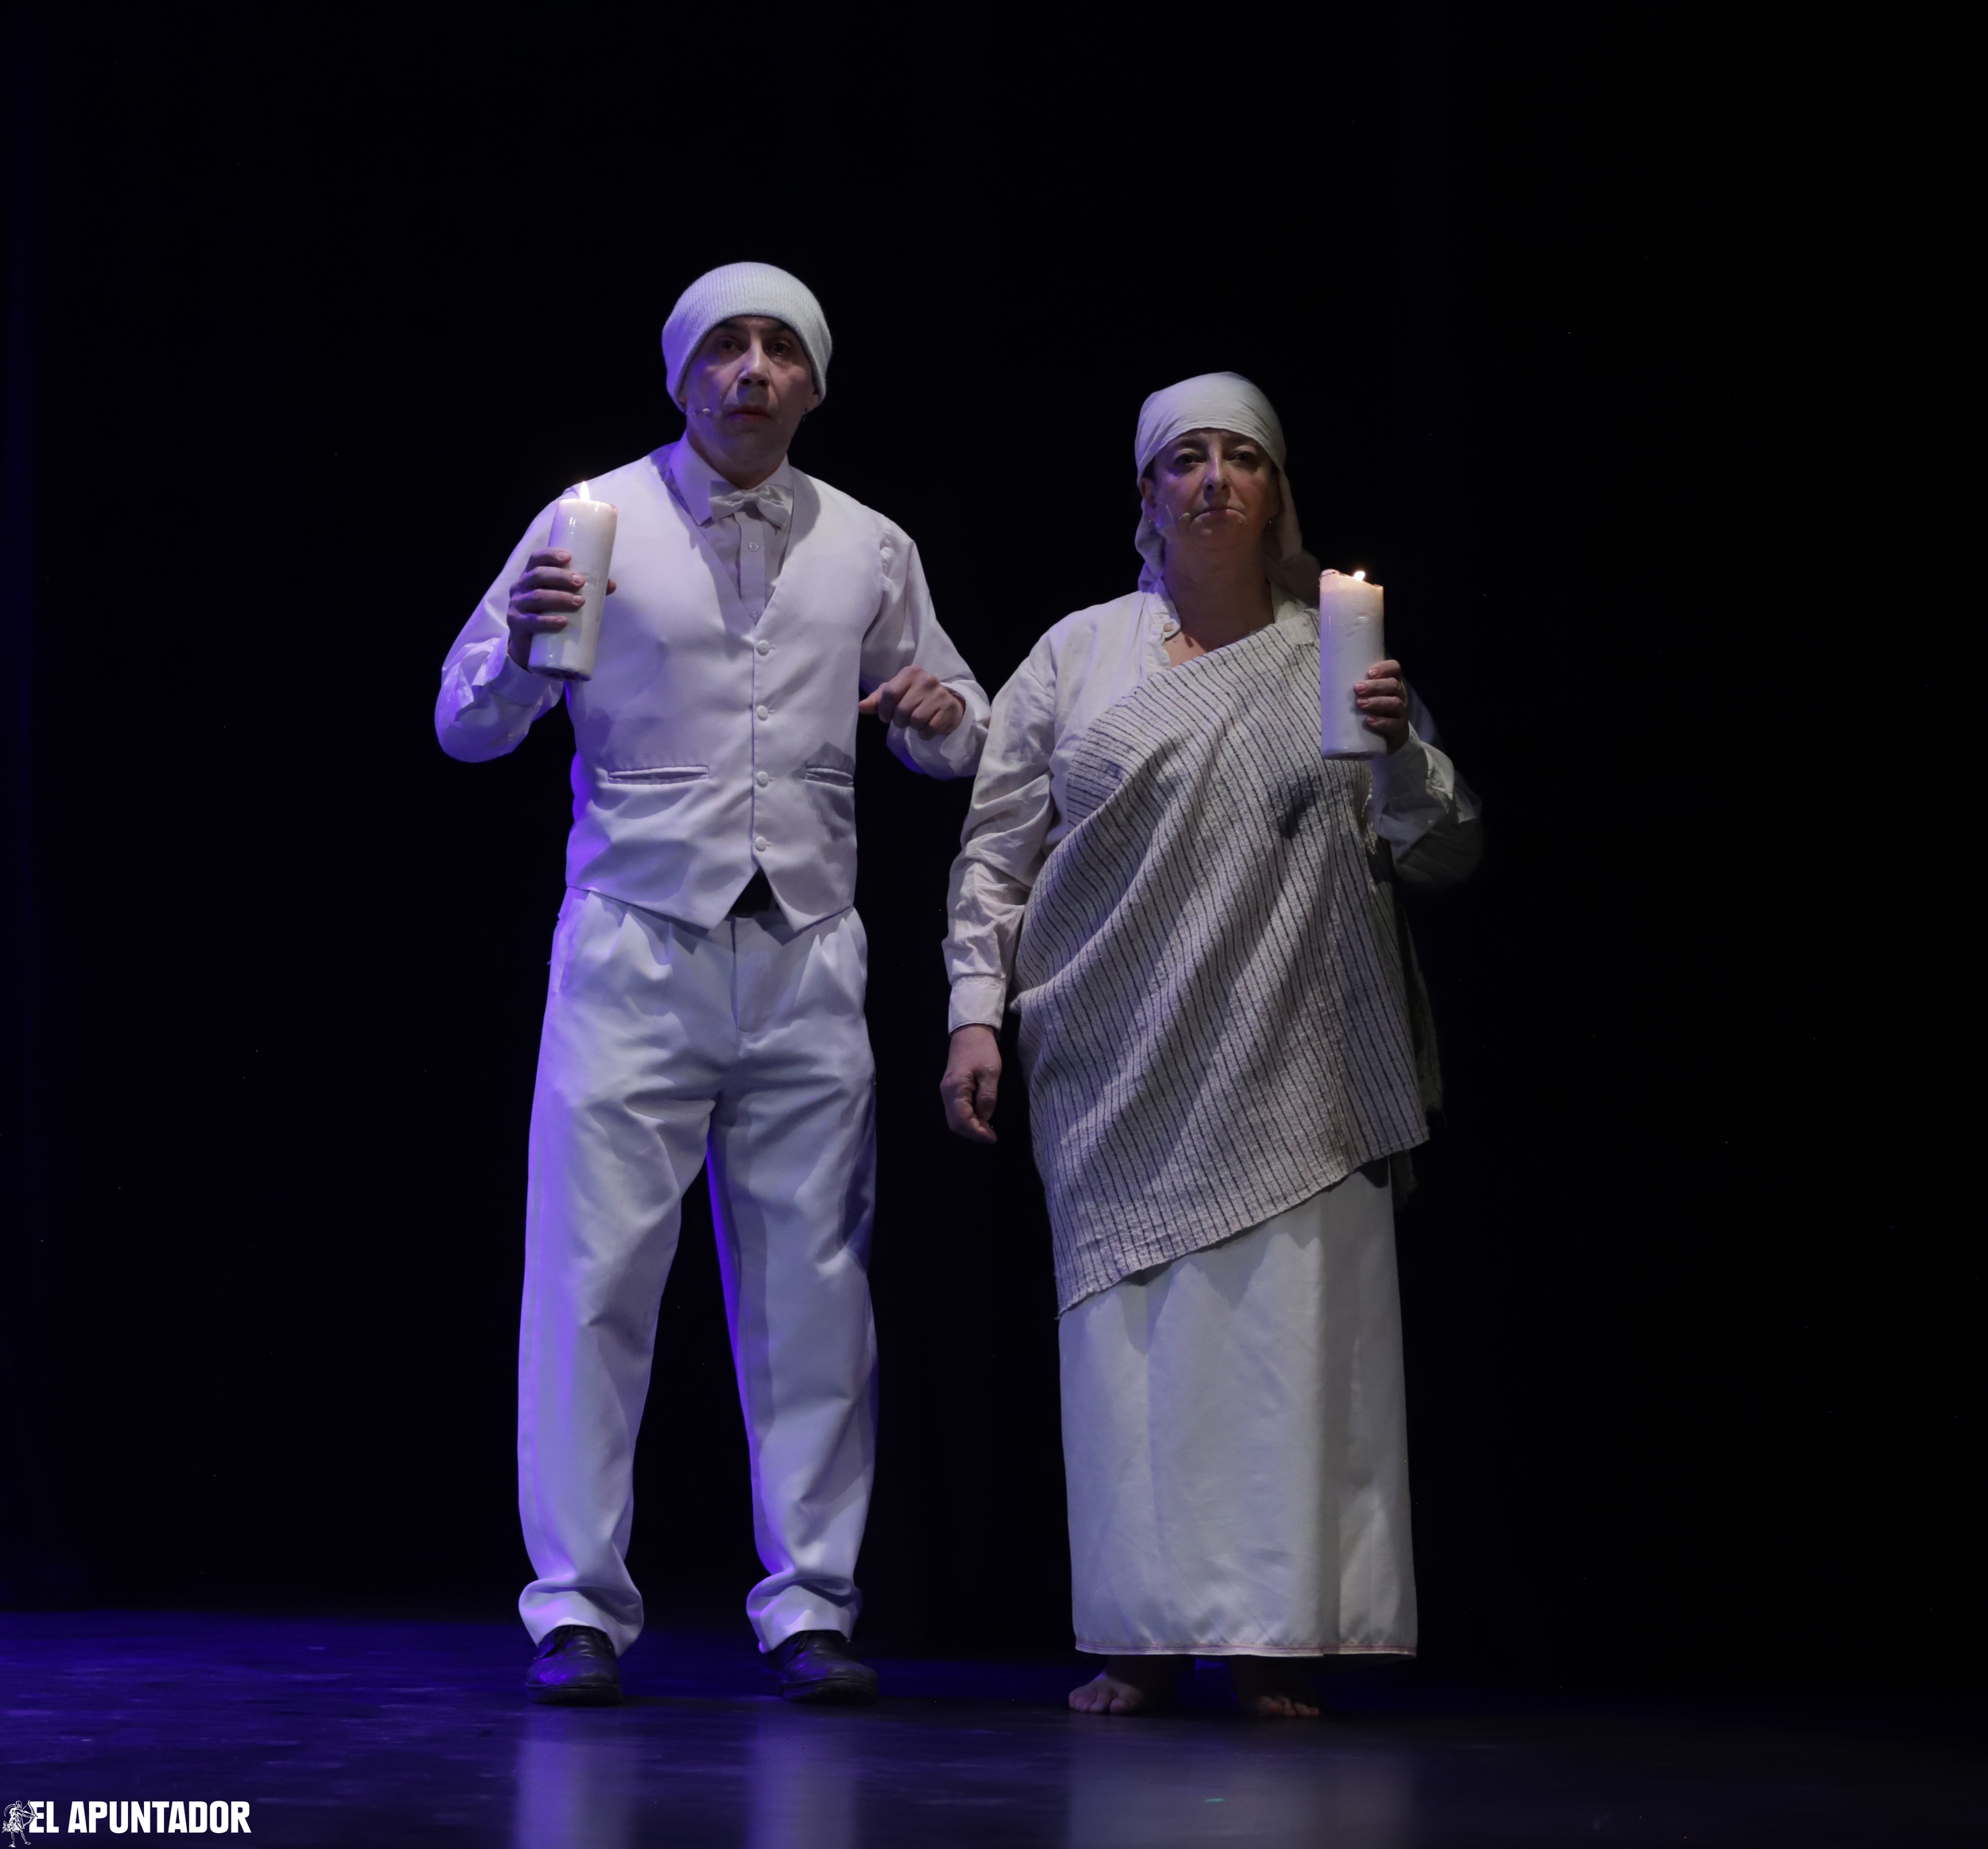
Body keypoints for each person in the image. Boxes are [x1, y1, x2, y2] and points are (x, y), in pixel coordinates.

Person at [437, 262, 989, 1707]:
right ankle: (575, 1604)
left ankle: (811, 1601)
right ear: (682, 375)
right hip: (634, 944)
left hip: (804, 949)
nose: (751, 370)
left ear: (813, 381)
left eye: (778, 350)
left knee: (816, 1289)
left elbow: (957, 728)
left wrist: (939, 715)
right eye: (725, 349)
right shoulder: (589, 518)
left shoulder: (869, 543)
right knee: (592, 1279)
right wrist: (519, 644)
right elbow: (466, 723)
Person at [939, 373, 1480, 1717]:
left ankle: (1278, 1637)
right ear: (1148, 492)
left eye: (1244, 458)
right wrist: (972, 1013)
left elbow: (1444, 850)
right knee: (1132, 1362)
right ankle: (1138, 1633)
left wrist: (1396, 752)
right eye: (1187, 459)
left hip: (1299, 1056)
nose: (1215, 480)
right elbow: (996, 853)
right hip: (1114, 1060)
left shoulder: (1334, 654)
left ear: (1277, 490)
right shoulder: (1078, 654)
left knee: (1283, 1352)